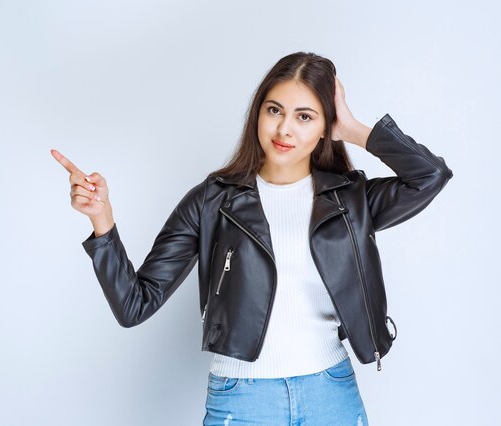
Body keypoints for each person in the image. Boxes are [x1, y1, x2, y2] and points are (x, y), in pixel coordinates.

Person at [51, 52, 453, 425]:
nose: (284, 129)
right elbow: (134, 305)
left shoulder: (350, 200)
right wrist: (102, 221)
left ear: (323, 127)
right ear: (257, 112)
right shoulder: (212, 200)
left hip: (331, 391)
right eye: (274, 110)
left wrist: (351, 128)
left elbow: (429, 176)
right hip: (242, 400)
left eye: (305, 117)